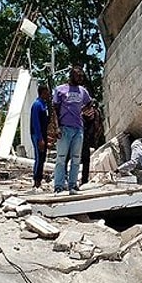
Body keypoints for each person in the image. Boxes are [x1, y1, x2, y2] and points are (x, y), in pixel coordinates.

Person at [51, 67, 91, 195]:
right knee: (61, 158)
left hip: (78, 128)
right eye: (78, 76)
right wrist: (56, 127)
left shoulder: (83, 91)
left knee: (76, 158)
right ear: (72, 76)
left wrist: (84, 111)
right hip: (64, 128)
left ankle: (73, 185)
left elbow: (90, 102)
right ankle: (58, 185)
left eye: (82, 76)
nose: (81, 78)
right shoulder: (60, 90)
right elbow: (55, 111)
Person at [29, 85, 51, 188]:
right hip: (38, 135)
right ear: (42, 92)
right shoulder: (37, 105)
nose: (48, 95)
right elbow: (36, 123)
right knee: (39, 157)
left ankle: (39, 180)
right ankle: (36, 180)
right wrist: (40, 138)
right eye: (47, 92)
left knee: (43, 158)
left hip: (44, 134)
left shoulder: (44, 105)